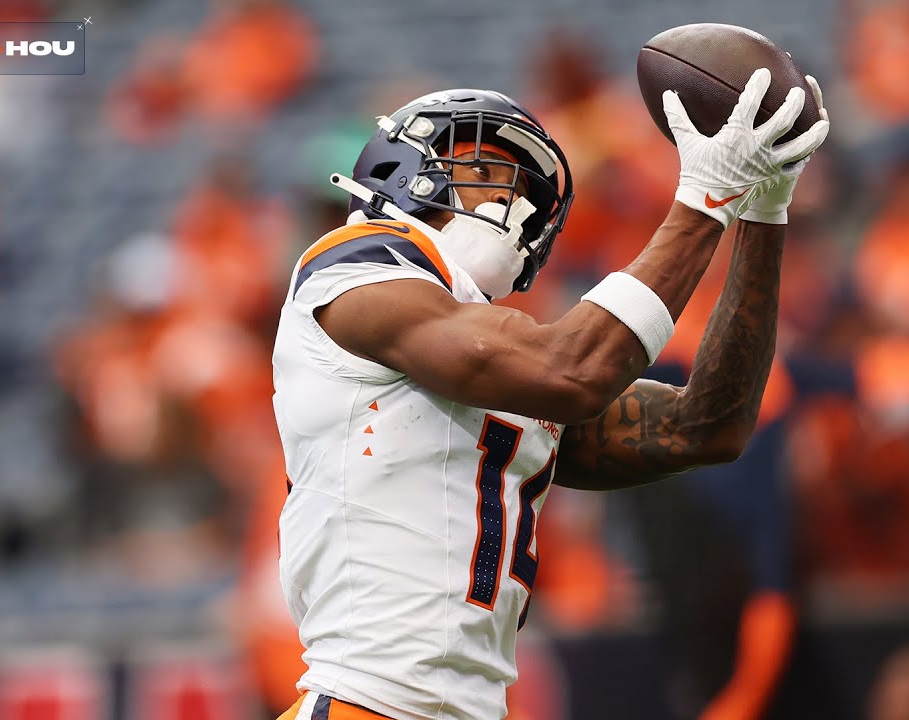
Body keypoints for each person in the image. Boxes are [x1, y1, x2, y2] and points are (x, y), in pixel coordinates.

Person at [271, 70, 830, 720]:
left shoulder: (495, 362)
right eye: (491, 170)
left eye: (529, 192)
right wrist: (705, 199)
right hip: (366, 705)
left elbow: (707, 426)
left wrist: (762, 211)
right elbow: (574, 370)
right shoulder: (354, 269)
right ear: (403, 167)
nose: (516, 201)